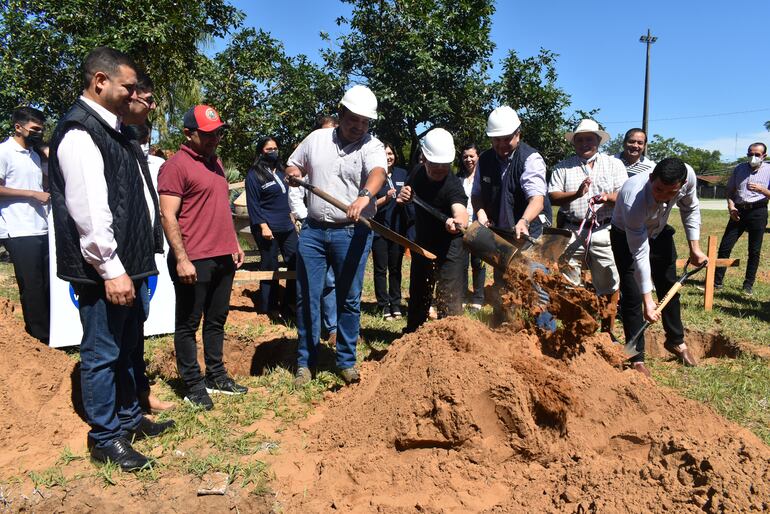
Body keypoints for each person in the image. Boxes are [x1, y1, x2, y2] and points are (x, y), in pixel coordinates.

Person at [48, 47, 173, 471]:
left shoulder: (116, 131)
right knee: (102, 353)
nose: (135, 95)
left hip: (129, 265)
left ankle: (129, 418)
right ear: (100, 82)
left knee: (127, 347)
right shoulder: (81, 133)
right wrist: (111, 270)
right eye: (128, 87)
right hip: (105, 271)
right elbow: (90, 213)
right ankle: (104, 437)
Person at [286, 85, 387, 386]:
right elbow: (293, 164)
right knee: (307, 296)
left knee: (349, 298)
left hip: (352, 232)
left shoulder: (372, 145)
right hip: (314, 231)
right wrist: (293, 173)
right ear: (341, 113)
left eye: (365, 121)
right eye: (354, 119)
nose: (359, 126)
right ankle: (305, 362)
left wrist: (364, 196)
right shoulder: (317, 139)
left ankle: (345, 360)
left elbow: (378, 173)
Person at [158, 104, 247, 410]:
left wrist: (234, 242)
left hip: (222, 256)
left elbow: (220, 208)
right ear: (188, 133)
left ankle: (216, 376)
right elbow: (168, 215)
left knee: (216, 320)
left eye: (218, 133)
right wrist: (181, 259)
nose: (214, 139)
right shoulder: (175, 166)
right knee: (188, 324)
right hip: (193, 258)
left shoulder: (216, 163)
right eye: (207, 134)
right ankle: (193, 384)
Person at [611, 157, 707, 376]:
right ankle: (636, 357)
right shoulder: (633, 198)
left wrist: (695, 248)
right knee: (633, 295)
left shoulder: (688, 176)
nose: (662, 196)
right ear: (650, 178)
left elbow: (690, 208)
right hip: (626, 236)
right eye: (658, 190)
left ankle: (676, 341)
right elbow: (640, 253)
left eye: (670, 192)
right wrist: (648, 301)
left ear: (681, 184)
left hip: (658, 229)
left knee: (669, 285)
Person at [120, 72, 176, 413]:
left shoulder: (141, 155)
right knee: (117, 336)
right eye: (149, 100)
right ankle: (123, 407)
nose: (153, 107)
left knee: (136, 327)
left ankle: (140, 394)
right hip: (119, 258)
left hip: (142, 254)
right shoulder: (103, 143)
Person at [471, 106, 554, 329]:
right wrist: (481, 213)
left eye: (506, 139)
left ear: (518, 134)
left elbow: (537, 199)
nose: (501, 145)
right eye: (495, 140)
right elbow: (477, 194)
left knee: (537, 286)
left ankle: (545, 334)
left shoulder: (530, 159)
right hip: (502, 235)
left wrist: (524, 221)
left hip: (530, 235)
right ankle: (505, 332)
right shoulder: (485, 159)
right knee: (503, 284)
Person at [549, 119, 627, 337]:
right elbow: (553, 196)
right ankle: (575, 329)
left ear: (598, 141)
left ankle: (607, 332)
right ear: (574, 142)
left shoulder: (614, 164)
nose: (585, 143)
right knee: (569, 281)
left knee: (609, 281)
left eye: (589, 139)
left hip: (604, 230)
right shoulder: (563, 167)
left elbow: (624, 194)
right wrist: (576, 194)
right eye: (580, 140)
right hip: (572, 230)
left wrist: (607, 197)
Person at [399, 128, 468, 332]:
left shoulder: (453, 185)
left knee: (449, 295)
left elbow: (461, 212)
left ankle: (450, 337)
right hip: (423, 241)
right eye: (434, 164)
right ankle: (414, 334)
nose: (439, 169)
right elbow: (406, 194)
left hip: (450, 245)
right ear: (424, 158)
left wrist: (457, 222)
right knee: (419, 290)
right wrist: (403, 196)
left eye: (444, 165)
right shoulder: (417, 173)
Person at [0, 106, 50, 343]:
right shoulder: (4, 152)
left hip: (41, 226)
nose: (38, 133)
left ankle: (52, 331)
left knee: (47, 283)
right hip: (18, 228)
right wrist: (31, 194)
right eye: (34, 129)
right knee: (32, 286)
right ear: (18, 127)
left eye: (41, 129)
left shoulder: (34, 155)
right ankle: (39, 337)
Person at [288, 115, 339, 344]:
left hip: (339, 228)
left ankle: (333, 327)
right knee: (313, 284)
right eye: (326, 131)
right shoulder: (309, 158)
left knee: (333, 281)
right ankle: (312, 334)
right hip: (313, 226)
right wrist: (306, 218)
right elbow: (295, 194)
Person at [245, 136, 297, 317]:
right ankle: (270, 306)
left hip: (287, 225)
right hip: (267, 227)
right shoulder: (254, 174)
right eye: (269, 149)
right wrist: (263, 226)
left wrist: (293, 216)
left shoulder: (282, 171)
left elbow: (288, 197)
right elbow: (253, 204)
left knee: (295, 261)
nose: (273, 152)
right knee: (270, 264)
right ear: (261, 151)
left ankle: (290, 302)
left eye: (275, 148)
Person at [713, 143, 770, 296]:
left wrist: (762, 190)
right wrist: (731, 206)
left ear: (764, 156)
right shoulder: (739, 169)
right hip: (738, 211)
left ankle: (748, 285)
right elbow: (730, 191)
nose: (753, 157)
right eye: (750, 154)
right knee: (725, 247)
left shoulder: (769, 170)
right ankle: (717, 282)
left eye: (757, 154)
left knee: (754, 250)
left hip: (758, 211)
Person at [371, 141, 409, 319]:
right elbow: (368, 205)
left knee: (396, 268)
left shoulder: (402, 173)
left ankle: (395, 303)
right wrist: (385, 199)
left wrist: (404, 199)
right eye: (385, 154)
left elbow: (410, 197)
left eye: (390, 153)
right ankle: (383, 305)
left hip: (398, 230)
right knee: (380, 269)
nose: (388, 157)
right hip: (379, 229)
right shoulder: (374, 175)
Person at [458, 143, 485, 311]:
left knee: (478, 263)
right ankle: (462, 296)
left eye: (471, 156)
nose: (468, 159)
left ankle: (478, 298)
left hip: (478, 226)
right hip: (462, 227)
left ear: (478, 157)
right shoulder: (458, 178)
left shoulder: (483, 178)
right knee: (461, 264)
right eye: (465, 156)